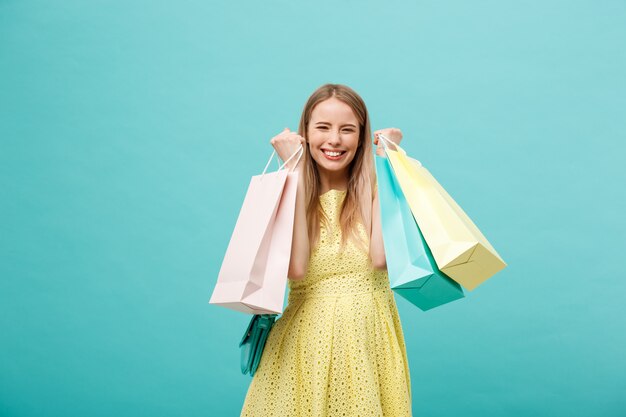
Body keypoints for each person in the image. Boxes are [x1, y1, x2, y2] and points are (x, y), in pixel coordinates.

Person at [240, 83, 412, 416]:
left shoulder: (374, 187)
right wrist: (291, 169)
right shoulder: (291, 188)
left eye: (347, 130)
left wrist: (389, 163)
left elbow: (380, 258)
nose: (334, 139)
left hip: (367, 337)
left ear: (361, 138)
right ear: (304, 133)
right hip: (306, 343)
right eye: (322, 128)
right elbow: (297, 268)